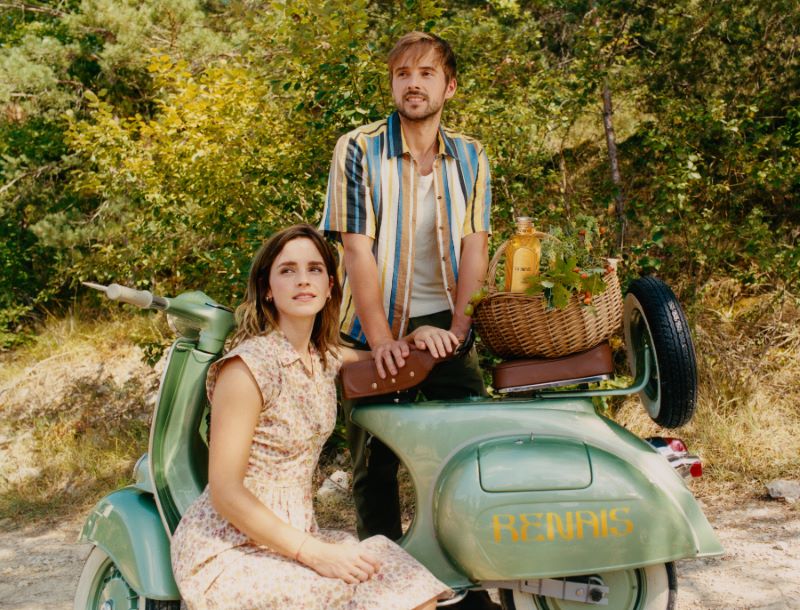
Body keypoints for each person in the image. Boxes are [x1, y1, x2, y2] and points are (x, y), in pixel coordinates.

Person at [170, 224, 457, 610]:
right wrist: (314, 552)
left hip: (295, 539)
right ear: (267, 288)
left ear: (330, 286)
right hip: (230, 547)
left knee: (408, 585)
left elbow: (387, 360)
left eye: (315, 269)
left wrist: (419, 336)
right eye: (287, 270)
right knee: (349, 594)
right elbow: (225, 492)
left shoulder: (324, 357)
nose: (303, 280)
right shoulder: (247, 368)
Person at [320, 31, 497, 609]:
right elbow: (356, 249)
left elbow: (476, 246)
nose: (413, 83)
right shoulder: (358, 149)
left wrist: (460, 332)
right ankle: (386, 586)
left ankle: (468, 577)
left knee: (467, 450)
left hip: (449, 325)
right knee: (375, 463)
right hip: (369, 329)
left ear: (449, 86)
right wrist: (381, 343)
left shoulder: (472, 156)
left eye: (425, 73)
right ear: (392, 84)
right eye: (402, 74)